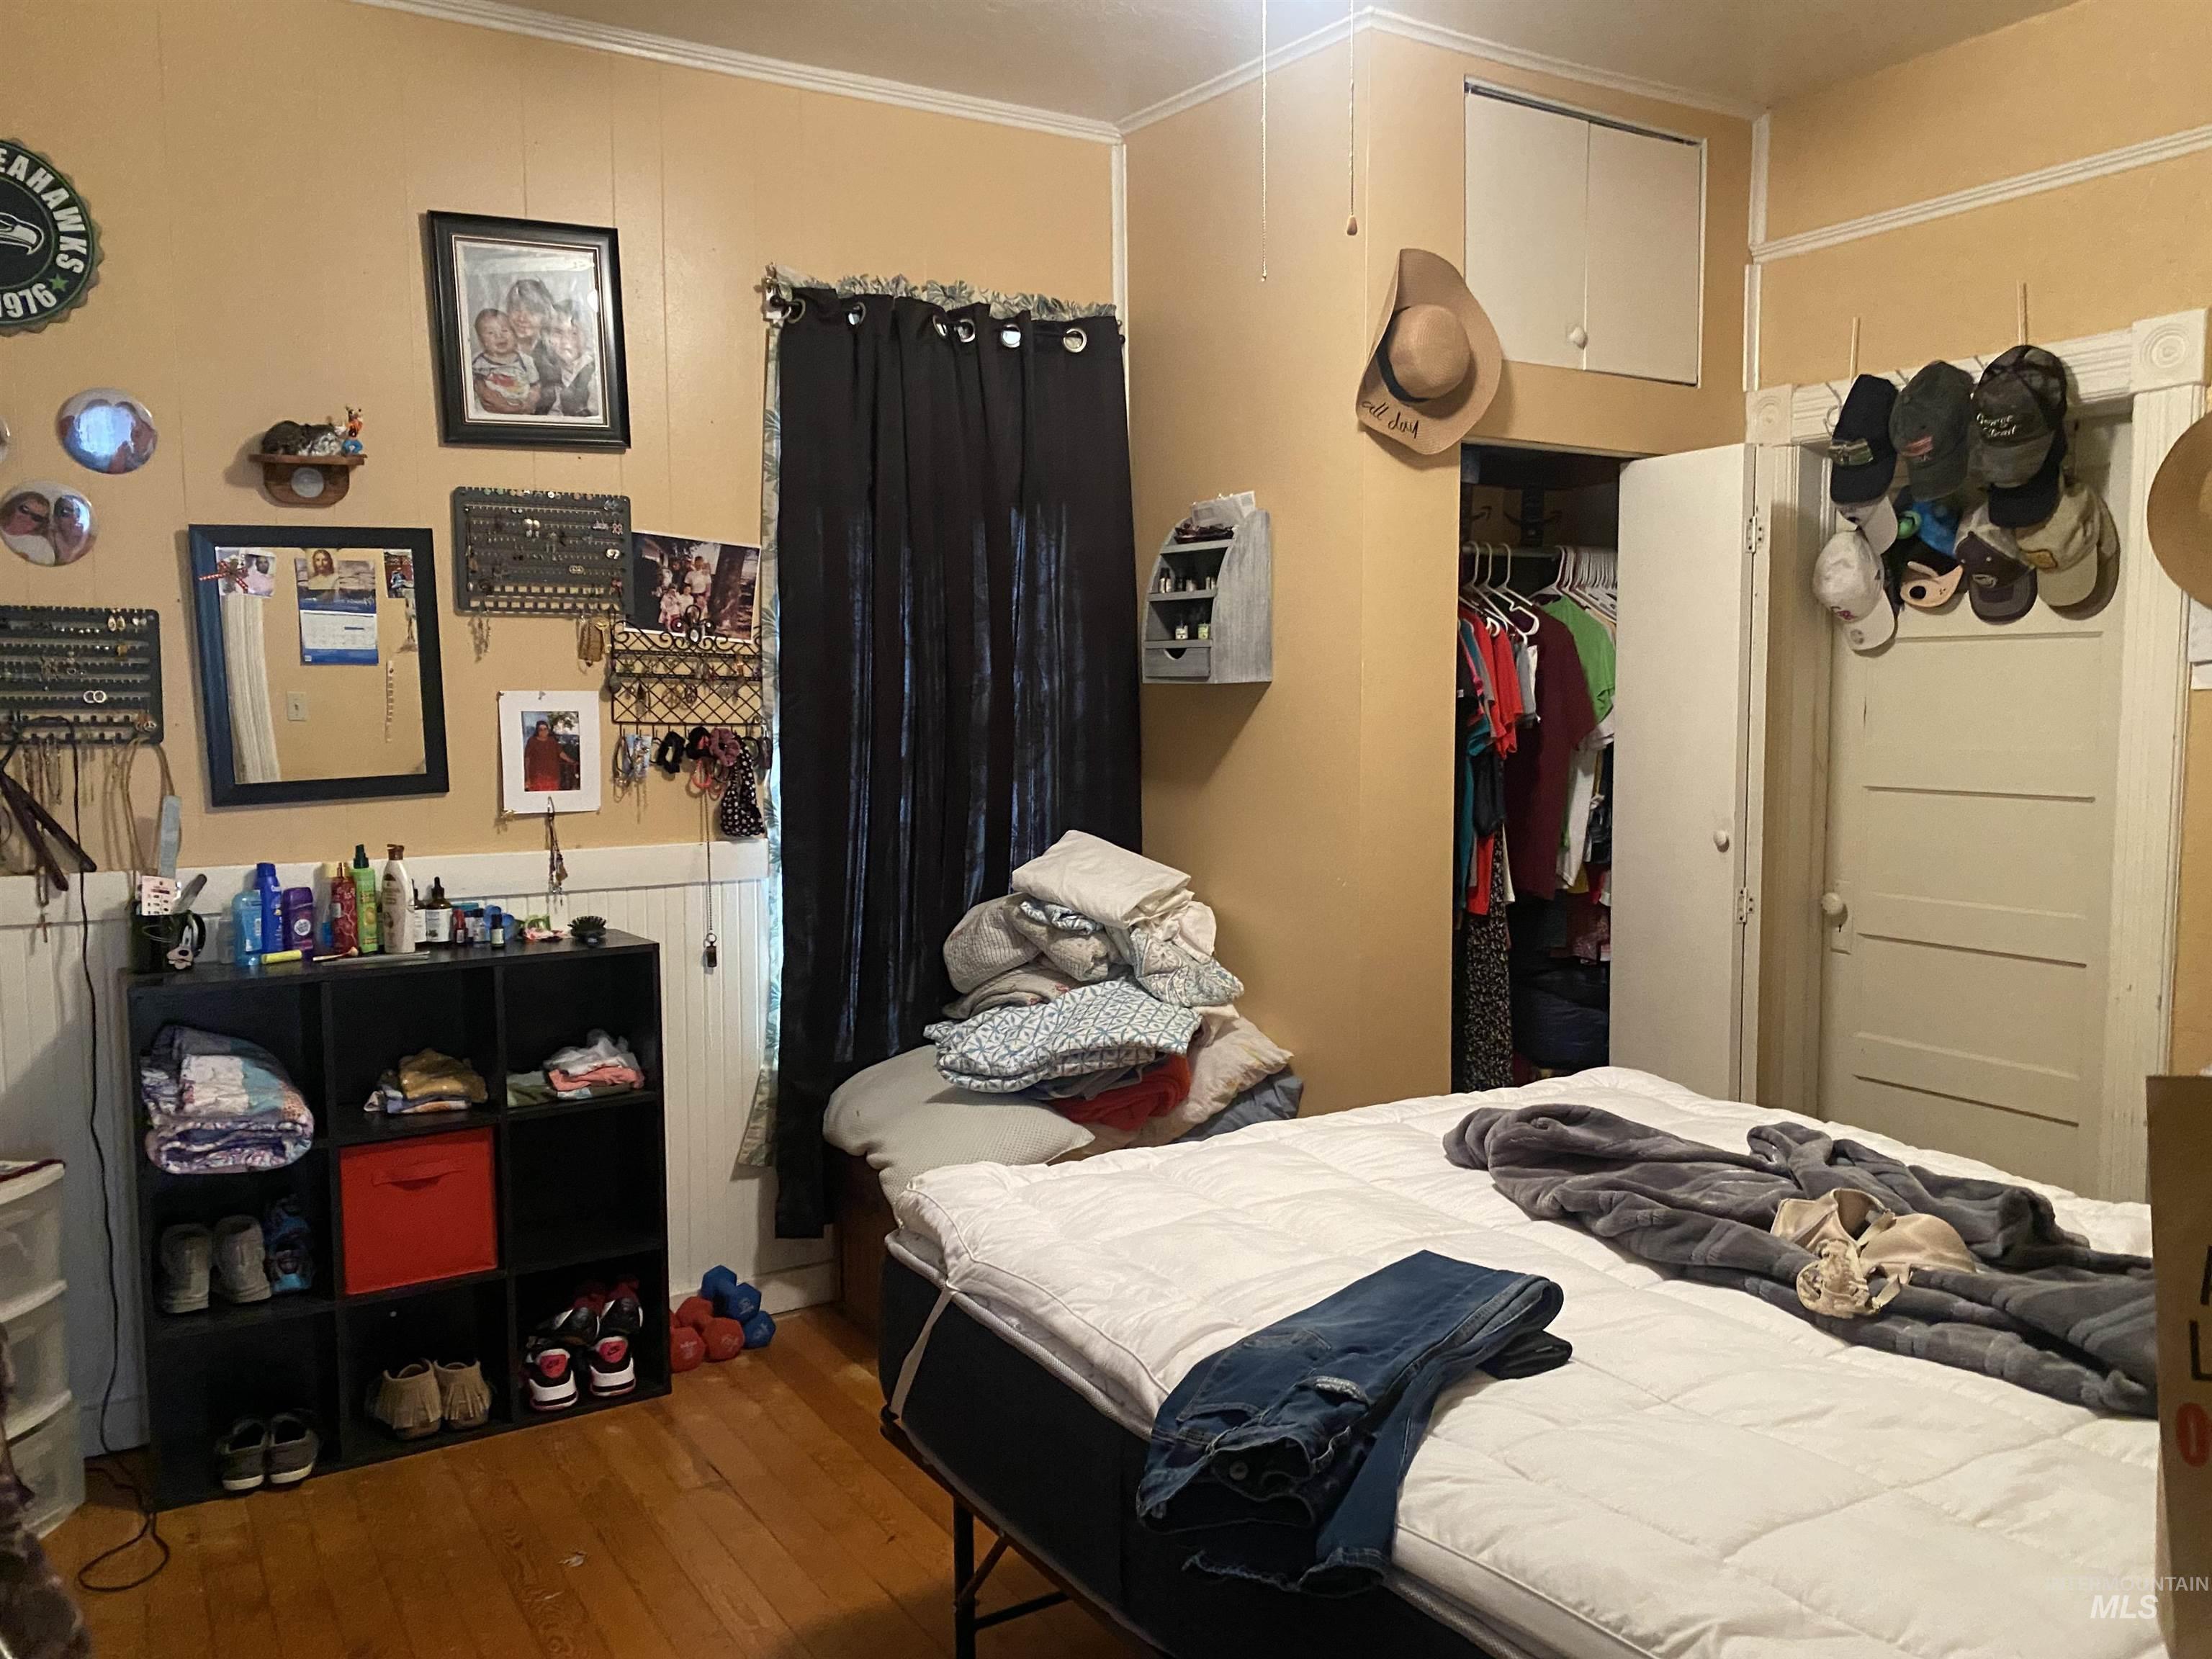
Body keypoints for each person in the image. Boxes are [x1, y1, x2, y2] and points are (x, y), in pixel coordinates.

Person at [505, 279, 562, 414]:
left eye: (532, 311)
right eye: (516, 310)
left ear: (545, 315)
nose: (522, 318)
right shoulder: (497, 349)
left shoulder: (557, 353)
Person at [469, 307, 538, 415]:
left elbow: (535, 387)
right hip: (489, 413)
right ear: (482, 341)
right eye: (491, 333)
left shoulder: (526, 361)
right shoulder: (478, 362)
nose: (499, 336)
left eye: (505, 330)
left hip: (521, 412)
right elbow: (475, 386)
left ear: (515, 334)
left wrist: (529, 404)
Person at [545, 300, 599, 418]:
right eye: (558, 332)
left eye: (574, 333)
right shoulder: (548, 371)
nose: (565, 341)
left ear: (588, 335)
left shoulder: (596, 375)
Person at [523, 716, 566, 794]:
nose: (543, 731)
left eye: (545, 729)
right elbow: (527, 759)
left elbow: (561, 753)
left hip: (553, 776)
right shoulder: (532, 741)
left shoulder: (552, 741)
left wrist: (572, 761)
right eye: (541, 729)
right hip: (537, 777)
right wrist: (527, 777)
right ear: (537, 731)